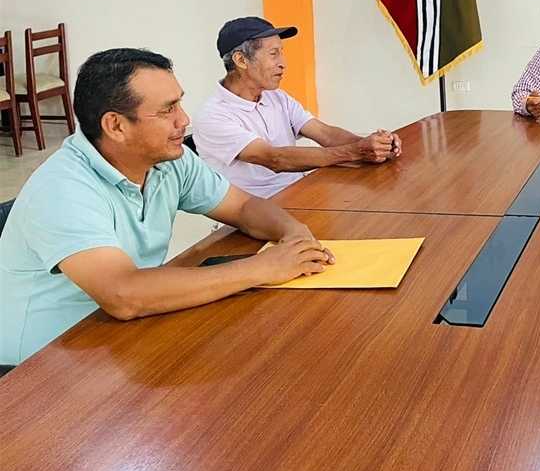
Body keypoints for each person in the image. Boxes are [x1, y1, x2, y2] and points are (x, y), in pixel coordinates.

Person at [0, 48, 335, 367]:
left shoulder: (168, 159)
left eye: (179, 103)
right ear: (115, 126)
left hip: (123, 335)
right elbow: (123, 294)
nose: (184, 120)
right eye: (167, 110)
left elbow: (243, 206)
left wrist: (293, 233)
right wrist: (263, 268)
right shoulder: (63, 189)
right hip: (42, 366)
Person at [193, 17, 402, 198]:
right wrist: (356, 152)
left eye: (281, 53)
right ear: (241, 60)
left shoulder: (276, 96)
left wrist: (377, 146)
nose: (283, 63)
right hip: (254, 212)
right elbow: (275, 159)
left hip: (298, 195)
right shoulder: (214, 116)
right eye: (274, 54)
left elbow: (325, 134)